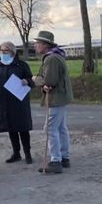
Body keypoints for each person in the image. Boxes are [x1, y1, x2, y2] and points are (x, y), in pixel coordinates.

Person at [0, 42, 34, 164]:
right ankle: (16, 153)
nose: (3, 53)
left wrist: (26, 81)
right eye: (1, 50)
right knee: (11, 128)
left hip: (19, 102)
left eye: (6, 51)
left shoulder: (21, 65)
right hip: (3, 102)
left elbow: (31, 80)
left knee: (22, 128)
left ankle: (27, 153)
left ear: (12, 52)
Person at [32, 30, 73, 174]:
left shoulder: (51, 58)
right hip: (61, 97)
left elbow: (50, 81)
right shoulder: (57, 55)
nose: (35, 45)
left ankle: (56, 160)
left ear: (45, 45)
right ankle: (64, 157)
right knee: (61, 128)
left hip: (55, 98)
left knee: (50, 129)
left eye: (37, 43)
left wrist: (35, 80)